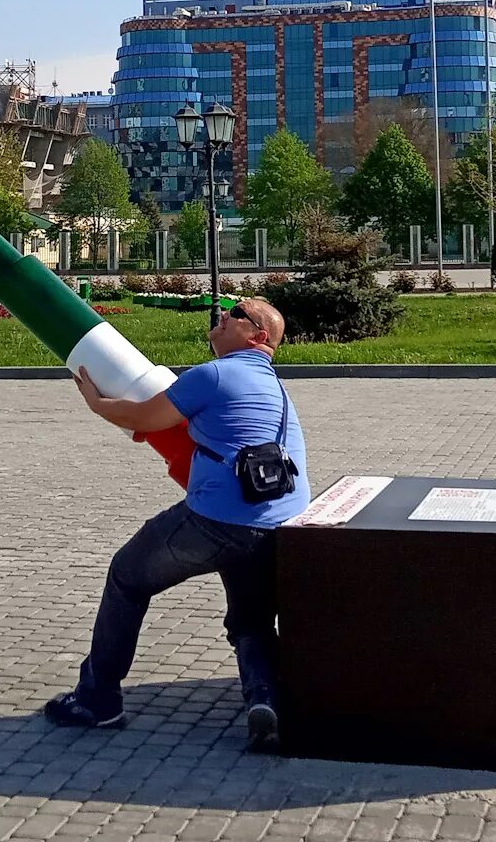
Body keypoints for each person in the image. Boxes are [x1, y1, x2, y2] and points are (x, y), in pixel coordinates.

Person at [45, 296, 309, 752]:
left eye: (236, 314)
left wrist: (97, 403)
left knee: (127, 576)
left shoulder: (215, 374)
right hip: (276, 522)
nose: (223, 315)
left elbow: (143, 417)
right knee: (251, 619)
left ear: (258, 336)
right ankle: (266, 702)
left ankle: (98, 699)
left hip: (216, 520)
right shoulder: (275, 388)